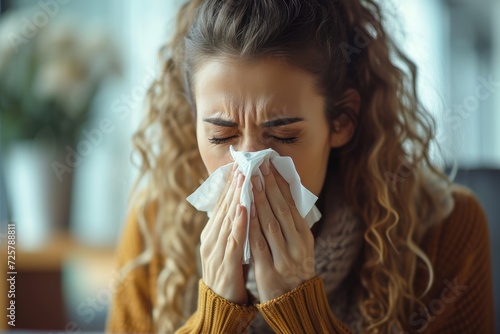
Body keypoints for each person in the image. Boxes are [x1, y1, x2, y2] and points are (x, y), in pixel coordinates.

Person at [106, 0, 494, 333]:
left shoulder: (444, 228)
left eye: (284, 137)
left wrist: (299, 312)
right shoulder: (154, 226)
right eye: (222, 137)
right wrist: (216, 315)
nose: (249, 166)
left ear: (341, 121)